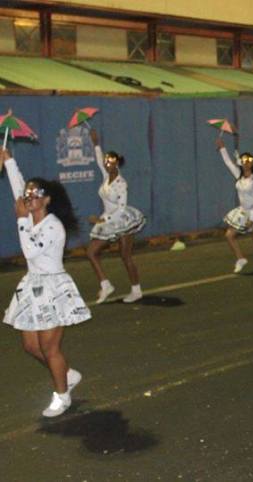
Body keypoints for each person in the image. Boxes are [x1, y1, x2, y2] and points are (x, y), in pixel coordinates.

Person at [0, 149, 91, 418]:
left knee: (50, 348)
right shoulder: (31, 217)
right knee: (31, 346)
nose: (29, 196)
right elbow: (17, 186)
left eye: (35, 193)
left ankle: (62, 397)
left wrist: (20, 220)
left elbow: (29, 251)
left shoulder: (53, 226)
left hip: (53, 289)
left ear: (47, 200)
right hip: (33, 285)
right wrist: (8, 160)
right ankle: (68, 374)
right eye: (27, 194)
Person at [86, 130, 146, 303]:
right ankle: (105, 285)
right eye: (106, 161)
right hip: (108, 219)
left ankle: (136, 291)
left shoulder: (121, 183)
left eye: (110, 162)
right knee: (91, 252)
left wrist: (102, 220)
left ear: (117, 164)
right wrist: (96, 144)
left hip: (123, 220)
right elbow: (99, 160)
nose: (106, 164)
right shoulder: (106, 176)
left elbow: (121, 208)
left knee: (125, 255)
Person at [216, 138, 253, 276]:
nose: (246, 163)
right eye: (244, 161)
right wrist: (222, 148)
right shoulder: (239, 175)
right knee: (229, 235)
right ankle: (241, 258)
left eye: (248, 161)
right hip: (243, 211)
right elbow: (228, 163)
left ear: (252, 163)